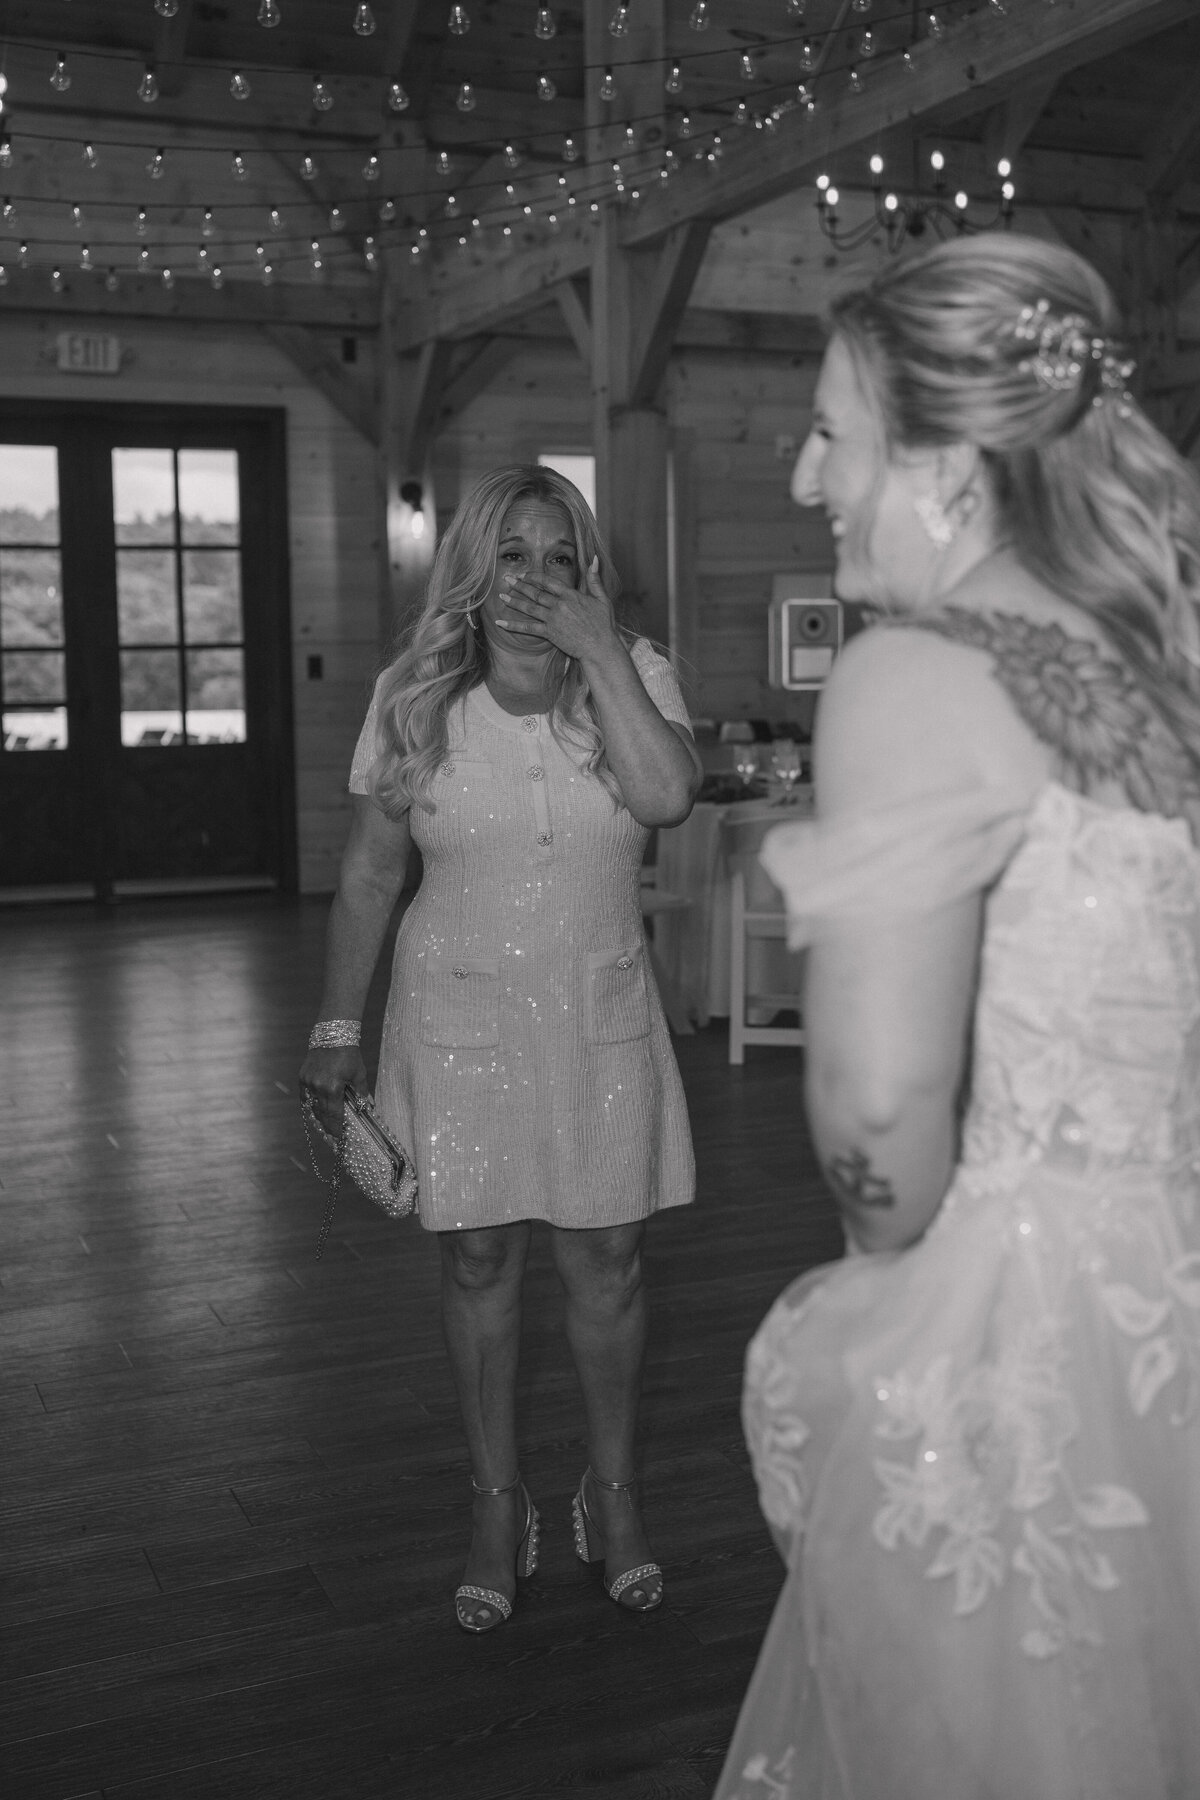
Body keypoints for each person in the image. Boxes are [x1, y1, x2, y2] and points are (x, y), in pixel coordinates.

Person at [714, 234, 1200, 1799]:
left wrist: (894, 1304)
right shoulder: (1172, 659)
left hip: (1046, 1335)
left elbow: (873, 1110)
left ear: (941, 461)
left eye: (831, 437)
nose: (804, 477)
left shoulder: (918, 673)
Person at [300, 464, 700, 1634]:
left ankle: (611, 1496)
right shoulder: (414, 693)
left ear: (586, 571)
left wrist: (605, 653)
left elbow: (668, 799)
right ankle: (495, 1502)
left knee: (610, 1266)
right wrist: (335, 1027)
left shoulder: (638, 675)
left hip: (600, 1014)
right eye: (512, 555)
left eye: (558, 556)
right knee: (477, 1265)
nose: (534, 579)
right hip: (456, 1018)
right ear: (474, 569)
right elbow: (372, 873)